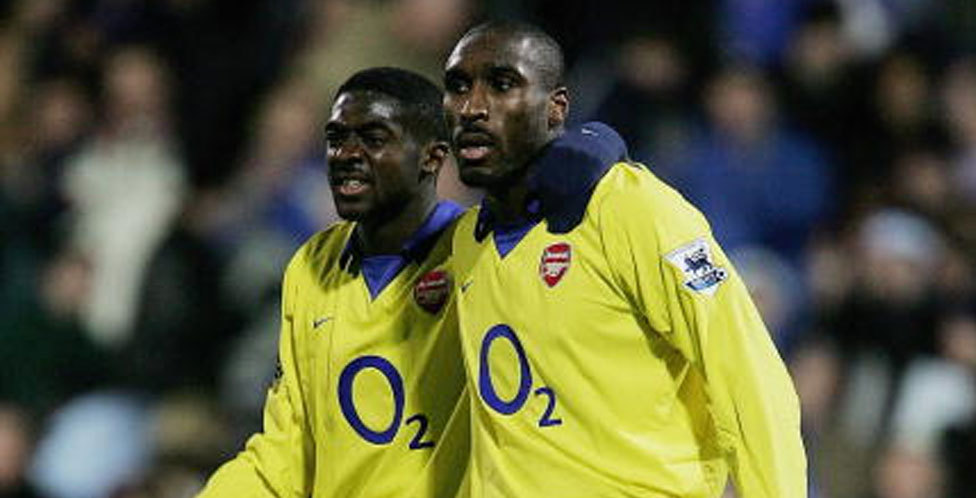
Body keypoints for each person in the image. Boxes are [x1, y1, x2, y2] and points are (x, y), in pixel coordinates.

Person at [442, 21, 806, 497]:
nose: (472, 107)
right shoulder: (468, 244)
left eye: (502, 85)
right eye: (457, 87)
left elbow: (748, 373)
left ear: (556, 109)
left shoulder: (632, 209)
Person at [198, 67, 468, 497]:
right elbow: (287, 448)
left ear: (432, 158)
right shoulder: (311, 265)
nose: (347, 154)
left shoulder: (478, 259)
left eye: (374, 140)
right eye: (336, 138)